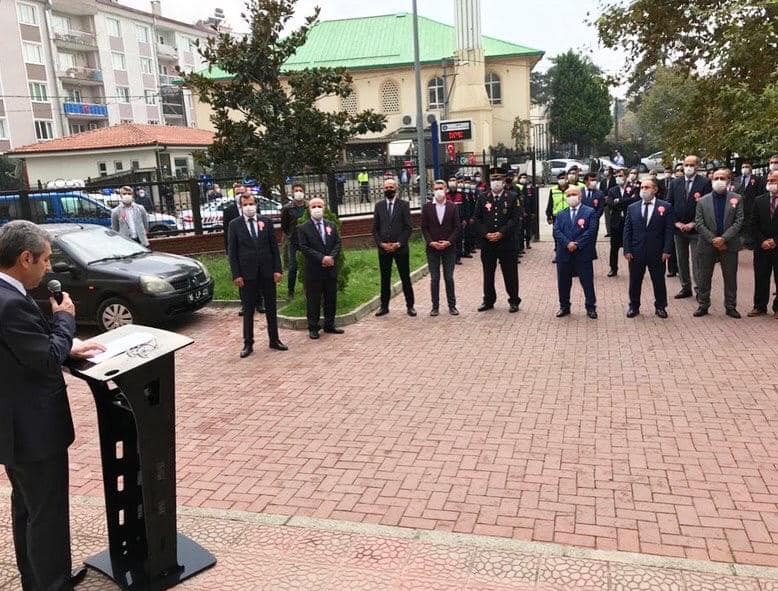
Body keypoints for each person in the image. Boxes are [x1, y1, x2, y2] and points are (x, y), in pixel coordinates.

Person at [0, 221, 105, 591]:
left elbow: (25, 348)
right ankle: (52, 583)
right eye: (44, 260)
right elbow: (44, 358)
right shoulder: (9, 302)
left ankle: (38, 577)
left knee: (27, 507)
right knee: (46, 511)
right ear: (24, 257)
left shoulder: (7, 292)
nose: (48, 268)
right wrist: (65, 320)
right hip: (32, 429)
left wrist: (67, 346)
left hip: (15, 427)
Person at [228, 192, 287, 357]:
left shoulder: (266, 222)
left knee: (271, 308)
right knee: (248, 310)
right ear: (241, 206)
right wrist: (236, 274)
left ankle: (274, 340)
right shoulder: (234, 225)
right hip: (247, 275)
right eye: (245, 204)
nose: (249, 207)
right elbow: (232, 252)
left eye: (251, 204)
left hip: (267, 272)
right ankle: (248, 344)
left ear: (256, 204)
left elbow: (274, 248)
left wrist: (277, 269)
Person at [694, 168, 744, 318]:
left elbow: (739, 220)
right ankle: (703, 304)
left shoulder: (737, 198)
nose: (719, 181)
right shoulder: (702, 200)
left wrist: (724, 238)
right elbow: (698, 222)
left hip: (729, 244)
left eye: (723, 178)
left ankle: (730, 306)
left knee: (730, 277)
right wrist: (713, 239)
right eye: (716, 178)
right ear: (711, 180)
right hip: (707, 244)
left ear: (728, 181)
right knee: (704, 277)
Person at [623, 178, 675, 318]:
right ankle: (634, 306)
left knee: (658, 280)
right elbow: (627, 230)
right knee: (635, 280)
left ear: (655, 189)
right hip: (636, 251)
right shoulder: (632, 207)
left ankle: (660, 307)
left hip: (657, 252)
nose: (644, 190)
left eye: (647, 187)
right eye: (642, 187)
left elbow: (669, 230)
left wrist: (667, 250)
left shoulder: (665, 206)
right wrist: (627, 250)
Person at [296, 198, 344, 339]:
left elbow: (337, 243)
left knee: (331, 298)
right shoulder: (303, 228)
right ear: (309, 209)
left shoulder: (331, 225)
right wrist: (321, 258)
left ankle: (329, 325)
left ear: (324, 208)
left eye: (319, 206)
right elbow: (304, 247)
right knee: (314, 300)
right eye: (313, 206)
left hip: (330, 269)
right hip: (314, 270)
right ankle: (313, 327)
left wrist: (331, 257)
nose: (317, 208)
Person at [666, 155, 712, 300]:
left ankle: (699, 291)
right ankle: (685, 287)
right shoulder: (675, 183)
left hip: (696, 230)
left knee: (697, 261)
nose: (688, 168)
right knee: (681, 260)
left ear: (697, 166)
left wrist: (693, 223)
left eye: (691, 165)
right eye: (686, 164)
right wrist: (676, 223)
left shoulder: (705, 183)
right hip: (678, 229)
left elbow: (706, 207)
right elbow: (669, 205)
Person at [474, 173, 521, 313]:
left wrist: (501, 233)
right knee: (488, 273)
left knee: (510, 273)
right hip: (488, 243)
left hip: (506, 242)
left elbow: (515, 219)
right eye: (493, 180)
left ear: (503, 181)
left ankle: (514, 300)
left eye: (498, 179)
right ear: (489, 182)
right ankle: (488, 300)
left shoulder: (512, 197)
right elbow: (477, 218)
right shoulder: (483, 197)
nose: (496, 182)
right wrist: (486, 234)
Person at [372, 177, 415, 317]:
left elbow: (408, 228)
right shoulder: (378, 206)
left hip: (400, 248)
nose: (388, 190)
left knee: (405, 277)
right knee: (385, 278)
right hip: (384, 249)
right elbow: (375, 229)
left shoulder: (404, 205)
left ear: (396, 188)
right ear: (383, 189)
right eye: (386, 187)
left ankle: (410, 306)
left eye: (391, 187)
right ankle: (384, 306)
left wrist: (398, 243)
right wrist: (381, 244)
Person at [553, 186, 598, 319]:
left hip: (582, 253)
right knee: (563, 282)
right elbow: (556, 231)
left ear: (580, 196)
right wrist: (567, 243)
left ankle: (590, 307)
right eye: (568, 195)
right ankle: (564, 306)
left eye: (574, 194)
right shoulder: (561, 213)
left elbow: (591, 231)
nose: (571, 197)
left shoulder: (589, 212)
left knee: (587, 281)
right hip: (564, 254)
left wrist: (577, 244)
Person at [421, 180, 460, 316]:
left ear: (445, 189)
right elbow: (424, 228)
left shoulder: (452, 207)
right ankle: (435, 306)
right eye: (436, 188)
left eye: (441, 188)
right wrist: (431, 242)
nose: (438, 190)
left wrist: (448, 242)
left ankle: (452, 306)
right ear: (433, 189)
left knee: (449, 277)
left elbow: (457, 227)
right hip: (432, 249)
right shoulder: (427, 208)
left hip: (449, 248)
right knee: (435, 278)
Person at [749, 171, 778, 318]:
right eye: (769, 180)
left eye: (774, 181)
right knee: (761, 277)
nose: (771, 183)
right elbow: (753, 224)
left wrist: (775, 241)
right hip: (762, 247)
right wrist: (762, 241)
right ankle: (759, 306)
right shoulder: (759, 200)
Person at [606, 169, 639, 277]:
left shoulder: (633, 188)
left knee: (630, 247)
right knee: (614, 247)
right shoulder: (612, 190)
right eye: (616, 176)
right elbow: (610, 204)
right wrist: (626, 200)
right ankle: (613, 268)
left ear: (626, 176)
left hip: (629, 222)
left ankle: (633, 269)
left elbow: (635, 201)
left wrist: (618, 201)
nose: (618, 177)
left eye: (620, 175)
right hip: (616, 222)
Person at [280, 183, 307, 298]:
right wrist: (290, 235)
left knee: (308, 265)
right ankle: (290, 291)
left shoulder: (308, 206)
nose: (298, 192)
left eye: (300, 190)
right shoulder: (287, 208)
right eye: (296, 190)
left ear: (304, 192)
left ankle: (308, 288)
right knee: (293, 267)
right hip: (293, 240)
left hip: (307, 241)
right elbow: (284, 226)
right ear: (292, 192)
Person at [736, 161, 765, 250]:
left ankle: (750, 242)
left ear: (750, 168)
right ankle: (740, 242)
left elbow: (759, 192)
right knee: (740, 223)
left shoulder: (757, 179)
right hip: (739, 205)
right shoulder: (737, 179)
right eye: (743, 167)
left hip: (751, 205)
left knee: (750, 223)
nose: (744, 168)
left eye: (746, 167)